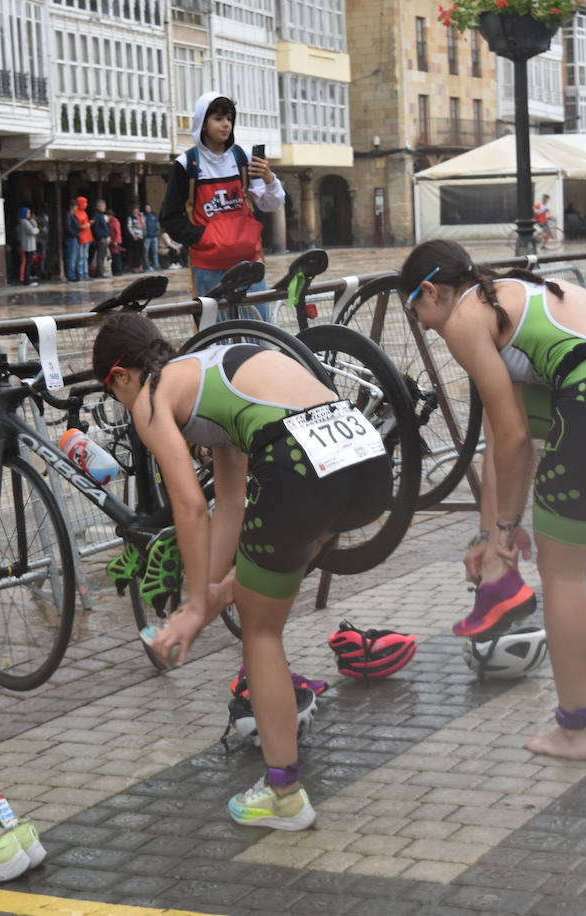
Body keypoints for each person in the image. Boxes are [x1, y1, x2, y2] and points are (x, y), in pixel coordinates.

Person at [93, 311, 391, 829]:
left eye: (111, 392)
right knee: (254, 586)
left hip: (298, 462)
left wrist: (192, 605)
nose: (120, 405)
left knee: (260, 631)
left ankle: (284, 796)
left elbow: (189, 506)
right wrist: (208, 593)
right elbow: (228, 504)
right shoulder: (207, 373)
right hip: (365, 457)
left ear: (120, 375)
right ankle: (281, 778)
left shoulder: (150, 398)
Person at [398, 240, 586, 760]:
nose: (426, 329)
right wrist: (491, 536)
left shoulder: (463, 320)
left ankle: (576, 732)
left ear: (431, 292)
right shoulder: (510, 295)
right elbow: (511, 435)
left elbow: (511, 440)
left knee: (563, 577)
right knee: (533, 429)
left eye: (417, 315)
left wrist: (507, 527)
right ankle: (501, 578)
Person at [161, 92, 285, 320]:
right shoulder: (186, 164)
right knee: (217, 335)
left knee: (260, 330)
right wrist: (205, 237)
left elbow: (271, 204)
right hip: (208, 267)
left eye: (229, 118)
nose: (226, 124)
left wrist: (269, 179)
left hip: (249, 263)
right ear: (203, 123)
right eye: (218, 118)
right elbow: (170, 217)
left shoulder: (243, 158)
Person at [16, 207, 40, 286]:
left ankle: (27, 278)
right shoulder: (24, 221)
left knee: (28, 262)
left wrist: (33, 222)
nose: (29, 215)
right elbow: (32, 231)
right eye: (28, 213)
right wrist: (37, 229)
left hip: (29, 245)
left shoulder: (27, 221)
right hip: (28, 245)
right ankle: (26, 280)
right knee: (28, 263)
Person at [91, 200, 111, 279]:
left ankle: (102, 272)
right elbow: (95, 228)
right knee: (100, 256)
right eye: (103, 206)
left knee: (102, 256)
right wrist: (100, 237)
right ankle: (100, 273)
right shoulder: (96, 215)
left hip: (104, 238)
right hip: (101, 239)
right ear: (99, 207)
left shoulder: (101, 215)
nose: (105, 207)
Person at [63, 202, 82, 282]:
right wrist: (75, 233)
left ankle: (75, 274)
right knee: (71, 257)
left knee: (76, 257)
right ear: (72, 207)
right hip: (71, 238)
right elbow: (68, 227)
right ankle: (71, 275)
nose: (77, 208)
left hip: (75, 237)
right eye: (76, 206)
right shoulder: (68, 215)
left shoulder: (73, 215)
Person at [75, 196, 93, 281]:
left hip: (87, 236)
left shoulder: (84, 213)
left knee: (86, 256)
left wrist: (89, 223)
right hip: (81, 237)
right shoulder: (76, 213)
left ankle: (86, 274)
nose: (86, 204)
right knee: (80, 257)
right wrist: (83, 226)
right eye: (84, 203)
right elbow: (76, 226)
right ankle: (80, 274)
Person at [126, 205, 146, 273]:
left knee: (141, 252)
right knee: (136, 253)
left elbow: (143, 225)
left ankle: (140, 266)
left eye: (137, 209)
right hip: (136, 237)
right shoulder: (131, 217)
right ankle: (135, 267)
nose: (137, 210)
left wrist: (142, 216)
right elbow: (129, 227)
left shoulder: (140, 216)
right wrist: (133, 235)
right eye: (135, 209)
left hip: (141, 236)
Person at [143, 203, 161, 271]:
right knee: (146, 252)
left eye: (148, 208)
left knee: (155, 252)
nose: (147, 209)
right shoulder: (143, 216)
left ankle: (156, 265)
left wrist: (157, 231)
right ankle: (147, 266)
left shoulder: (153, 215)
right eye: (146, 208)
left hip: (154, 237)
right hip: (147, 237)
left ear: (150, 208)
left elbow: (157, 224)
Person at [107, 208, 124, 276]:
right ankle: (115, 271)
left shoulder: (115, 221)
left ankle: (118, 271)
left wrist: (116, 241)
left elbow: (117, 231)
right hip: (112, 241)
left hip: (116, 241)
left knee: (117, 256)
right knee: (113, 256)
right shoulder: (109, 221)